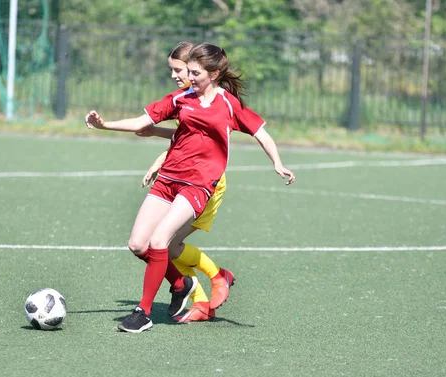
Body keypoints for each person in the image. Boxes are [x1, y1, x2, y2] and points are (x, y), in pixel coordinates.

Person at [85, 42, 296, 333]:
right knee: (137, 244)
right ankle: (183, 283)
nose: (188, 77)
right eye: (188, 71)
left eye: (194, 72)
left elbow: (262, 133)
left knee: (161, 241)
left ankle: (143, 312)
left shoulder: (228, 104)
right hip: (169, 179)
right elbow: (143, 121)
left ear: (214, 73)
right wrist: (104, 124)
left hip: (198, 184)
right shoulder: (181, 98)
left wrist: (277, 162)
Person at [136, 41, 234, 324]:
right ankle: (198, 296)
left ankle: (215, 279)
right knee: (160, 244)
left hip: (205, 182)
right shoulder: (188, 95)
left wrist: (155, 135)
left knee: (165, 244)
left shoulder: (209, 95)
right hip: (183, 175)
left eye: (179, 69)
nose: (176, 76)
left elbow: (197, 140)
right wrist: (159, 156)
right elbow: (184, 137)